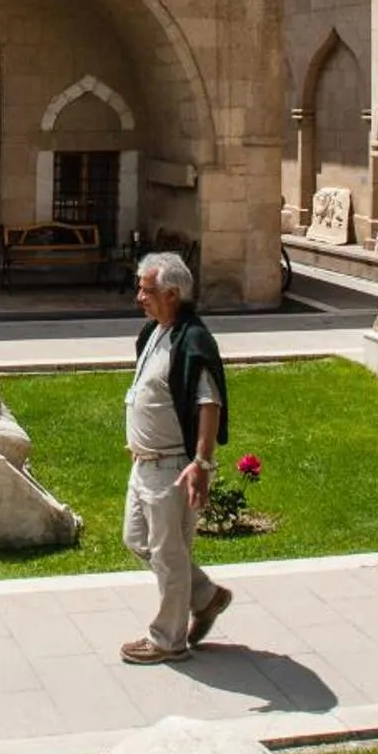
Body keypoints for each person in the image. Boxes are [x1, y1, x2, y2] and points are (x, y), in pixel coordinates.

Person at [120, 251, 232, 664]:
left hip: (172, 467)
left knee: (168, 556)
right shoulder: (157, 332)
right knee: (136, 540)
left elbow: (208, 403)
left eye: (146, 290)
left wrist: (201, 464)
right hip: (143, 464)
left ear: (171, 293)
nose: (139, 297)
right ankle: (205, 596)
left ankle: (168, 640)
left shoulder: (192, 341)